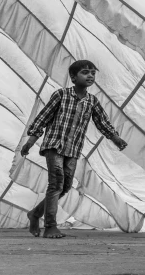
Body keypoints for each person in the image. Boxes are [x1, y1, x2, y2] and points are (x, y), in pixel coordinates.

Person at [20, 60, 127, 239]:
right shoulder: (61, 95)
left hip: (73, 149)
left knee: (65, 187)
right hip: (54, 145)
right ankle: (50, 226)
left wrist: (116, 138)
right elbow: (43, 118)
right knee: (56, 183)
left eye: (93, 73)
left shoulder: (92, 101)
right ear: (73, 77)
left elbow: (102, 122)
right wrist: (30, 141)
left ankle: (35, 214)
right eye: (85, 72)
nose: (90, 76)